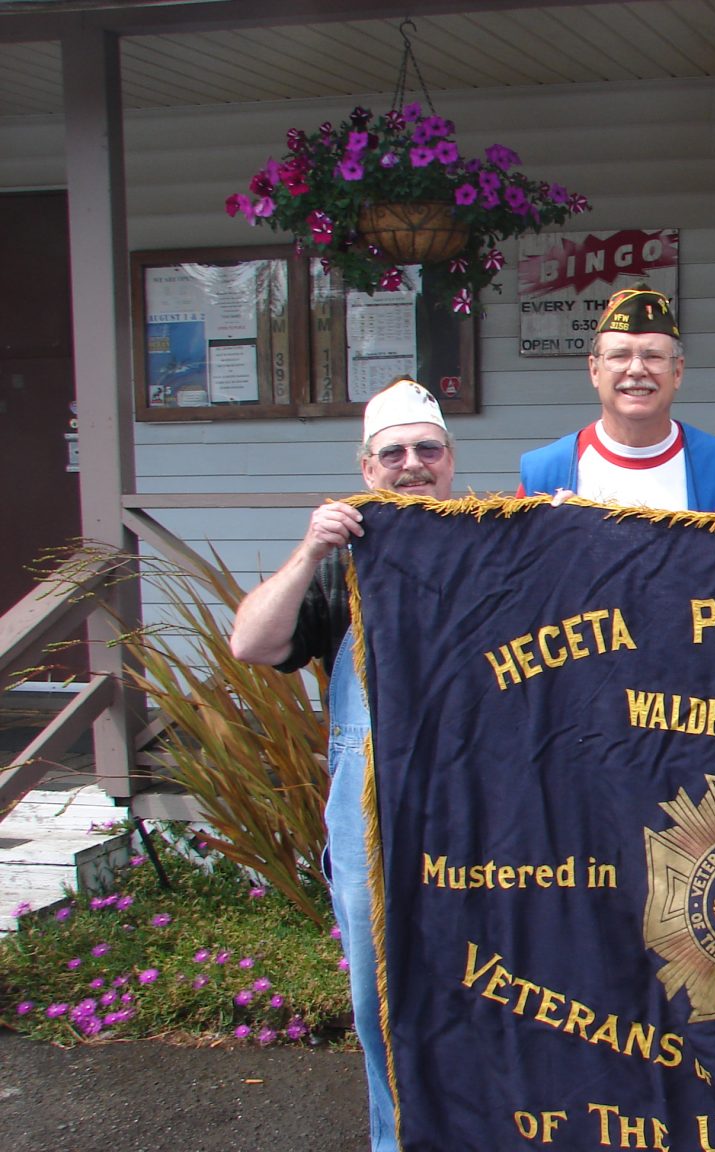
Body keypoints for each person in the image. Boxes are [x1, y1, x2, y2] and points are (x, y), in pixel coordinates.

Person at [228, 377, 456, 1152]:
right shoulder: (339, 558)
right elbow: (251, 644)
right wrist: (308, 550)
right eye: (393, 452)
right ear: (367, 468)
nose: (412, 464)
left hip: (475, 818)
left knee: (486, 995)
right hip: (370, 821)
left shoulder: (488, 546)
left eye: (427, 449)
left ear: (450, 460)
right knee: (379, 1003)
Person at [517, 285, 715, 515]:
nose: (636, 369)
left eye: (653, 356)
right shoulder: (544, 472)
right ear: (594, 370)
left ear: (677, 371)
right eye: (619, 356)